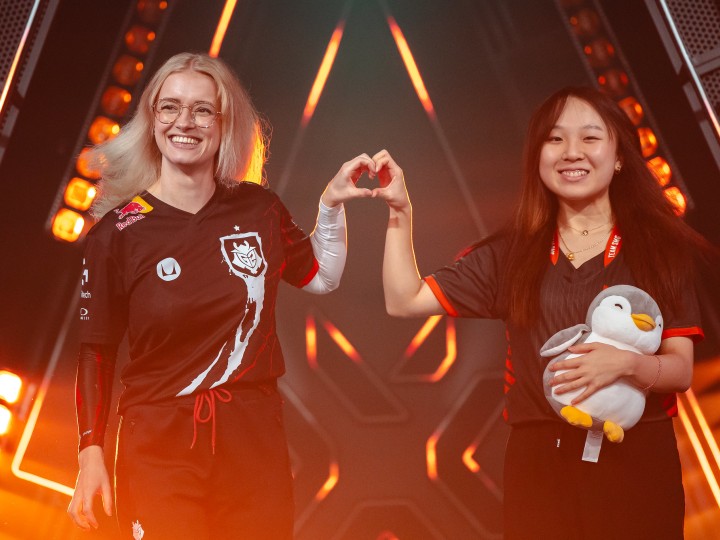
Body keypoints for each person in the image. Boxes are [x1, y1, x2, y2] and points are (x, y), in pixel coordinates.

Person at [372, 86, 716, 539]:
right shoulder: (511, 253)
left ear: (619, 157)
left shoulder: (660, 248)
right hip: (540, 462)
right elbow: (403, 299)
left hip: (636, 459)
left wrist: (626, 364)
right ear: (537, 156)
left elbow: (680, 370)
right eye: (555, 139)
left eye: (590, 137)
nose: (571, 151)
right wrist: (400, 211)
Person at [67, 52, 377, 539]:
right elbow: (96, 351)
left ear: (224, 123)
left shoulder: (258, 208)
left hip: (253, 439)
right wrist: (90, 455)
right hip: (159, 445)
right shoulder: (118, 233)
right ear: (152, 119)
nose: (184, 123)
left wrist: (331, 204)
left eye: (202, 110)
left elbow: (321, 276)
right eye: (170, 107)